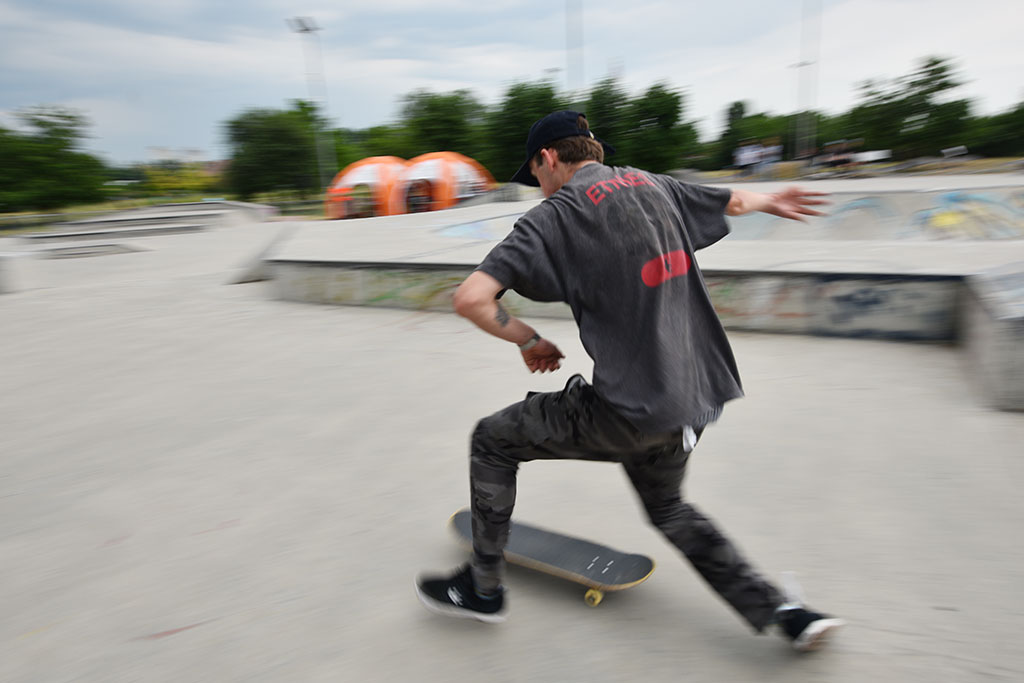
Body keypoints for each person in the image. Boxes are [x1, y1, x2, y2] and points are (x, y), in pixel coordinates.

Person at [415, 111, 844, 652]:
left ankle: (481, 588)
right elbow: (732, 202)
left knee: (493, 439)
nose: (538, 191)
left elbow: (471, 299)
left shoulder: (553, 217)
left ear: (547, 159)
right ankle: (786, 613)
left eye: (536, 177)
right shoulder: (653, 185)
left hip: (625, 412)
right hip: (694, 401)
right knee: (668, 507)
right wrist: (772, 201)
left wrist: (528, 340)